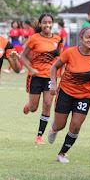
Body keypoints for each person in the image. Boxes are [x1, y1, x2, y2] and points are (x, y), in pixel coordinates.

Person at [48, 27, 90, 163]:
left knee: (76, 126)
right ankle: (54, 129)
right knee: (60, 125)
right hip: (65, 93)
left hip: (84, 96)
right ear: (81, 39)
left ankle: (62, 154)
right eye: (88, 37)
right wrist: (53, 83)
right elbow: (54, 67)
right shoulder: (70, 52)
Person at [20, 13, 63, 144]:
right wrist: (30, 69)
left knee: (48, 104)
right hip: (35, 77)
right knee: (34, 107)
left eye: (49, 22)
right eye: (44, 22)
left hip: (50, 77)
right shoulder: (34, 39)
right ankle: (28, 106)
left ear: (52, 24)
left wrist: (61, 73)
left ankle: (39, 136)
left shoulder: (57, 39)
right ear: (40, 24)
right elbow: (22, 56)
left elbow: (61, 58)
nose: (47, 25)